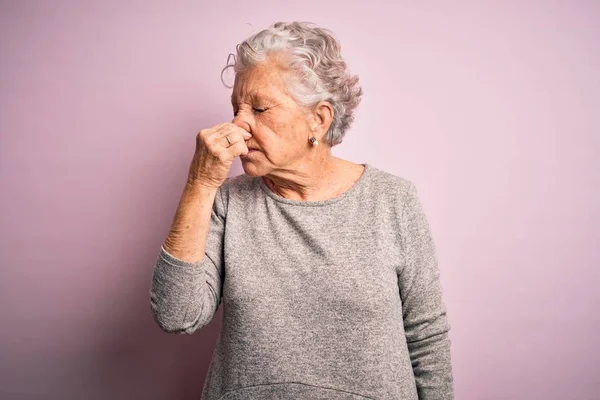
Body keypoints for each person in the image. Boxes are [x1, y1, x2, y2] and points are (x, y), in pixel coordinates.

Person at [150, 21, 453, 400]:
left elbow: (426, 337)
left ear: (319, 119)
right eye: (237, 108)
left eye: (259, 108)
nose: (239, 124)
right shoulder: (227, 201)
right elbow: (177, 315)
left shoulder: (393, 200)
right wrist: (200, 183)